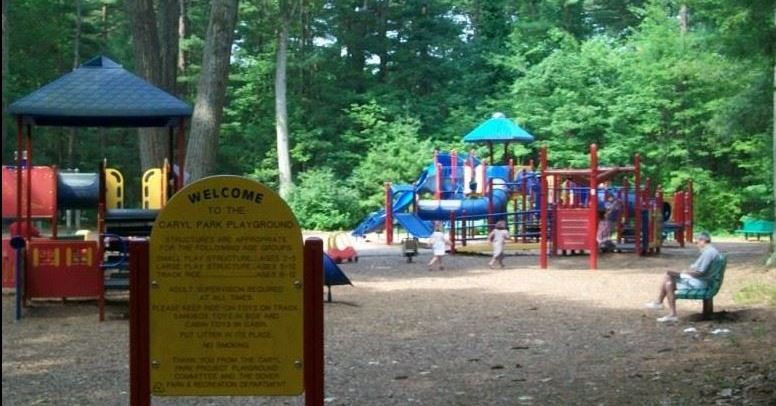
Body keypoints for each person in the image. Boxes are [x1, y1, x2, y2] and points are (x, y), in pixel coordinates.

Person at [645, 231, 720, 322]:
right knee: (668, 275)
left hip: (701, 283)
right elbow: (700, 270)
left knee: (669, 281)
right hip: (703, 280)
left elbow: (700, 272)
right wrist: (684, 273)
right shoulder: (711, 251)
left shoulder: (708, 253)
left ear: (703, 241)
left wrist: (682, 275)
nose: (697, 244)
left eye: (697, 242)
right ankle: (660, 304)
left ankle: (669, 311)